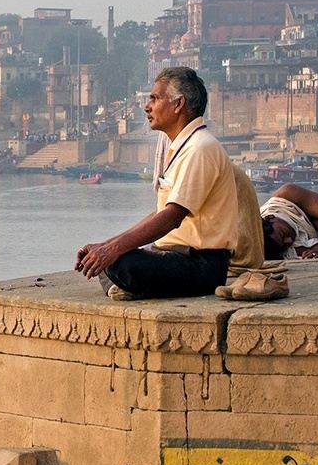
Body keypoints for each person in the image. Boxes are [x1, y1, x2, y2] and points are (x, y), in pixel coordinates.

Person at [75, 67, 237, 300]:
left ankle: (130, 285)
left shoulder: (201, 147)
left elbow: (172, 217)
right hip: (175, 256)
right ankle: (128, 284)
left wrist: (112, 249)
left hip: (201, 265)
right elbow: (161, 213)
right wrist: (105, 245)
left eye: (154, 98)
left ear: (178, 104)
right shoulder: (184, 147)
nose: (147, 107)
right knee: (109, 260)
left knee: (121, 263)